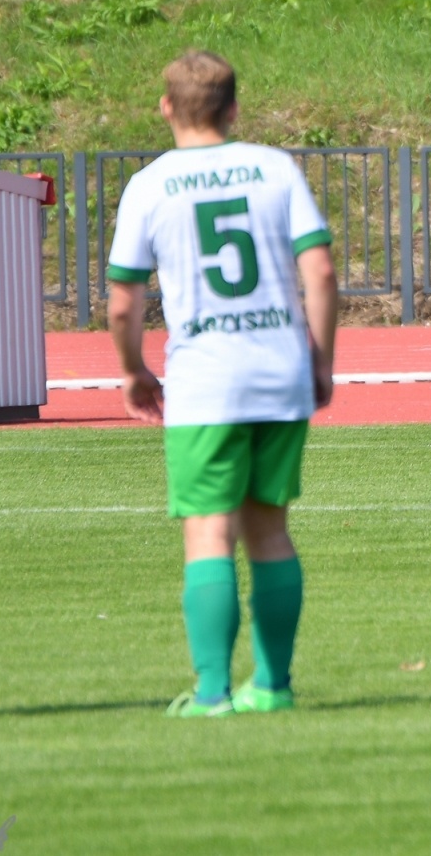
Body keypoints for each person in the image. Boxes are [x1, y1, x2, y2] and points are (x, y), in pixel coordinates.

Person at [108, 50, 337, 718]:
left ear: (166, 108)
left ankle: (211, 693)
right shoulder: (274, 167)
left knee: (209, 532)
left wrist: (133, 370)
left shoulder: (150, 184)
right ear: (233, 108)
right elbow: (320, 272)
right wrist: (320, 360)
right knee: (270, 530)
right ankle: (272, 687)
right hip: (277, 369)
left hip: (205, 378)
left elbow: (123, 303)